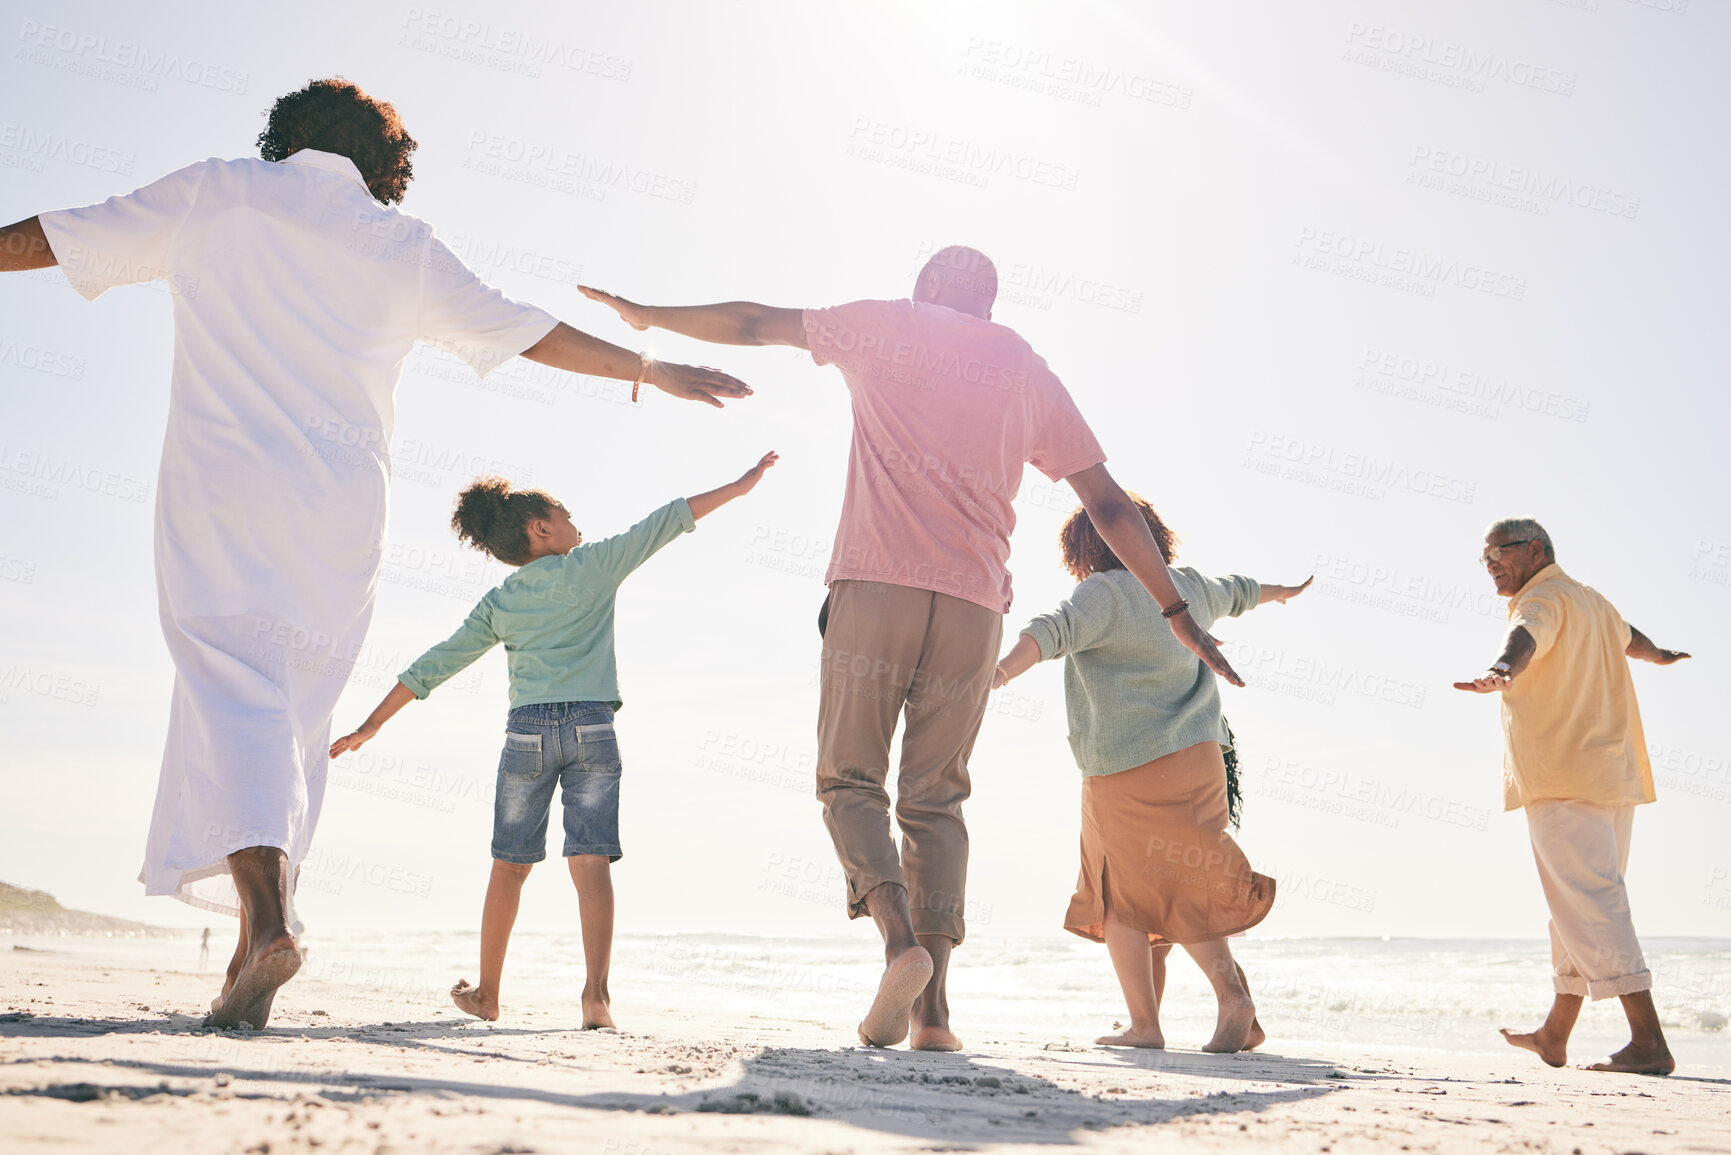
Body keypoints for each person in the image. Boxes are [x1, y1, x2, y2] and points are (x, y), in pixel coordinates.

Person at [0, 78, 751, 1030]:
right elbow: (526, 329)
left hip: (224, 488)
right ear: (381, 163)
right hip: (343, 514)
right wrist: (646, 366)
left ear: (289, 137)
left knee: (232, 686)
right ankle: (249, 946)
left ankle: (269, 920)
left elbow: (58, 235)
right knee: (294, 713)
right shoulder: (400, 244)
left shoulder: (221, 192)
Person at [580, 247, 1244, 1051]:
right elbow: (1105, 501)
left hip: (876, 588)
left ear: (924, 289)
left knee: (849, 777)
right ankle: (934, 1017)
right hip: (972, 610)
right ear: (989, 308)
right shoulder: (1022, 365)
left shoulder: (882, 325)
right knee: (936, 799)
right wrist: (1172, 606)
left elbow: (754, 322)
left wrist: (651, 319)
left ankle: (898, 946)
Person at [330, 452, 777, 1028]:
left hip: (527, 735)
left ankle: (488, 993)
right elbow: (669, 519)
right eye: (566, 514)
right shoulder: (594, 566)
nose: (576, 522)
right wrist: (740, 487)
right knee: (591, 864)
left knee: (508, 867)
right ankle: (596, 999)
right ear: (542, 529)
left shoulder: (501, 602)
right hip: (594, 729)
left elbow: (434, 665)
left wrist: (373, 724)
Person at [992, 495, 1308, 1052]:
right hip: (1200, 756)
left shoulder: (1103, 592)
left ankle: (1148, 1026)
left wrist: (1000, 672)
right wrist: (1282, 593)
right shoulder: (1188, 586)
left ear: (1083, 550)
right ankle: (1233, 1002)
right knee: (1184, 880)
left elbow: (1051, 630)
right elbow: (1239, 590)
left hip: (1124, 765)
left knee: (1121, 897)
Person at [1454, 518, 1689, 1075]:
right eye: (1483, 559)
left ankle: (1649, 1043)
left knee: (1592, 901)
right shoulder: (1592, 600)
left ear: (1535, 550)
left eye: (1498, 554)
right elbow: (1633, 638)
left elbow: (1524, 638)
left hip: (1563, 773)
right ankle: (1554, 1033)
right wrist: (1661, 657)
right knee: (1578, 904)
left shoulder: (1541, 599)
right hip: (1612, 775)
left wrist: (1501, 670)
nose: (1490, 565)